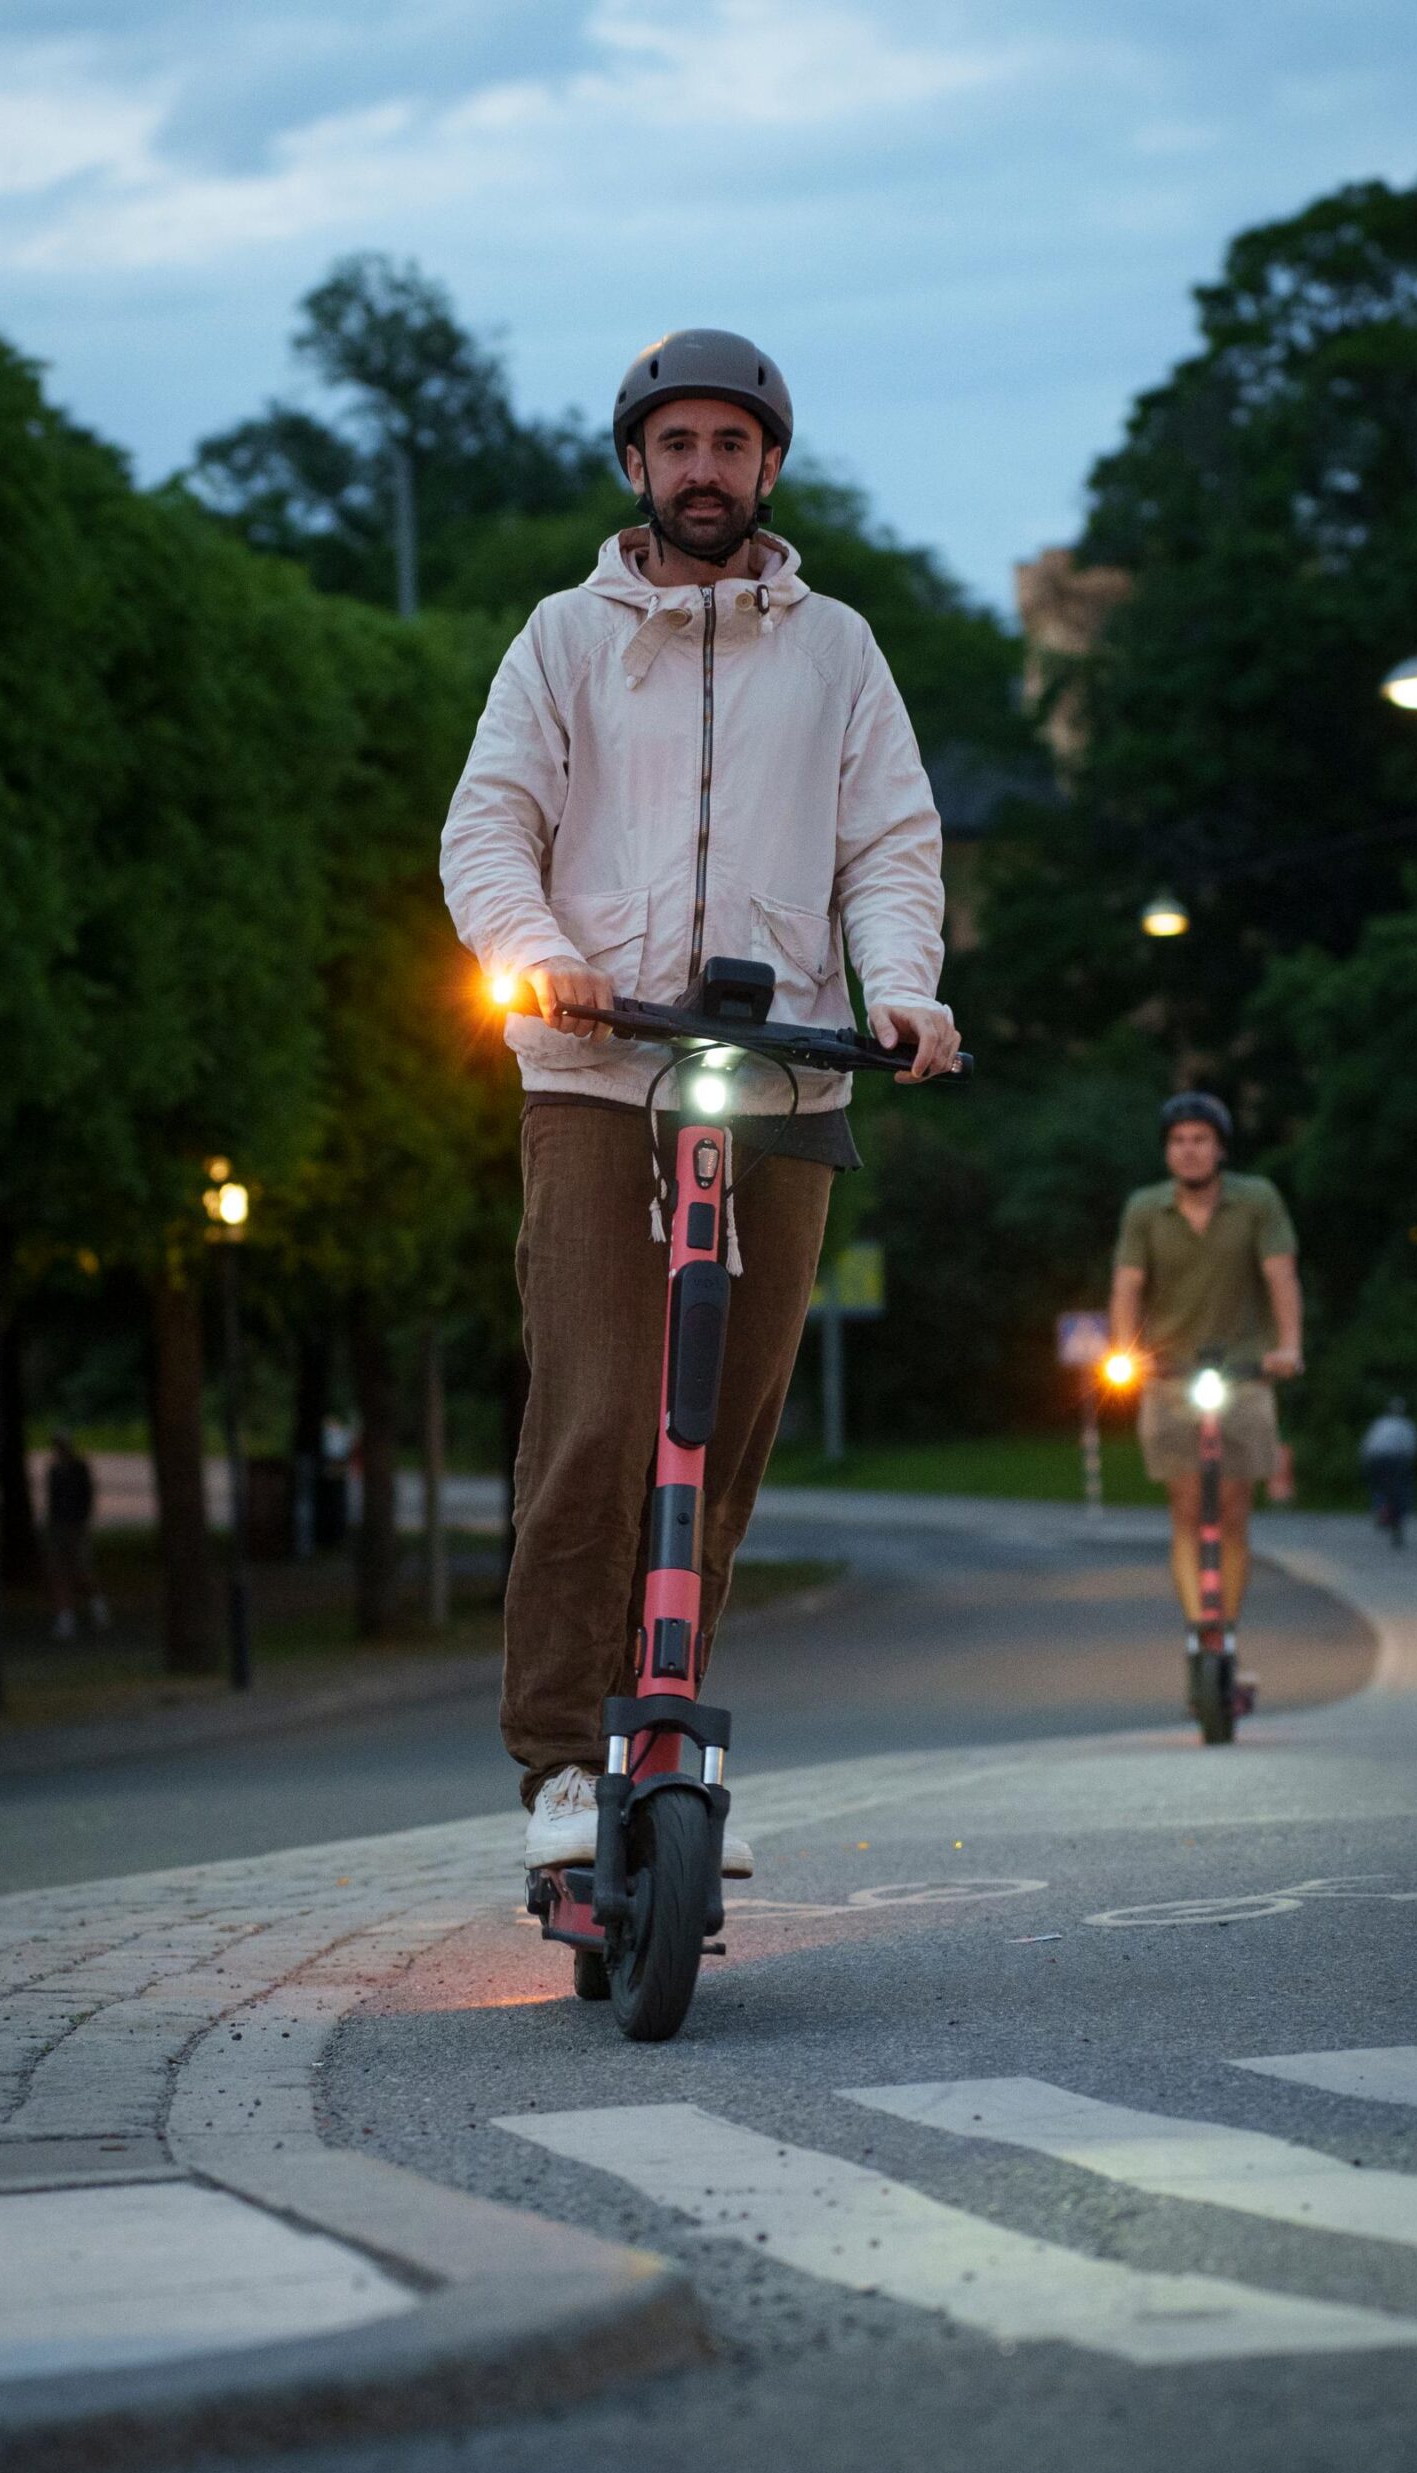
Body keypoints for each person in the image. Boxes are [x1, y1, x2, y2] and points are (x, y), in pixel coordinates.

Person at [440, 327, 960, 1871]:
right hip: (600, 1072)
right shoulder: (561, 639)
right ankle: (556, 1763)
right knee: (600, 1414)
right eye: (677, 447)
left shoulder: (836, 649)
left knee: (719, 1438)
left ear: (769, 467)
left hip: (784, 1072)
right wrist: (541, 957)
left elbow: (887, 849)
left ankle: (659, 1741)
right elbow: (489, 828)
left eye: (731, 447)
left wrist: (902, 995)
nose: (704, 472)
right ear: (635, 468)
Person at [1108, 1094, 1302, 1696]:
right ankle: (1199, 1630)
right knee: (1190, 1509)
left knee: (1235, 1509)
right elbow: (1127, 1286)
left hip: (1243, 1372)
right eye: (1178, 1141)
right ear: (1168, 1151)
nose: (1188, 1150)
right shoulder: (1146, 1209)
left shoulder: (1257, 1199)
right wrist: (1124, 1352)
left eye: (1200, 1139)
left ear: (1219, 1147)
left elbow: (1280, 1276)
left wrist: (1289, 1345)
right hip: (1170, 1377)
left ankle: (1226, 1632)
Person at [45, 1431, 108, 1638]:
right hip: (59, 1526)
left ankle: (97, 1607)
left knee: (82, 1571)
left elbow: (86, 1497)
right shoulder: (54, 1470)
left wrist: (81, 1521)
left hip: (76, 1526)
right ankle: (66, 1618)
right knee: (59, 1572)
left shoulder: (78, 1468)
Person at [1360, 1397, 1417, 1546]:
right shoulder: (1406, 1425)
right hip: (1397, 1460)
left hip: (1376, 1459)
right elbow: (1411, 1449)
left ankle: (1381, 1510)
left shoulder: (1380, 1423)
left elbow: (1367, 1444)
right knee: (1402, 1489)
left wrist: (1366, 1463)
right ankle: (1397, 1515)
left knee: (1379, 1487)